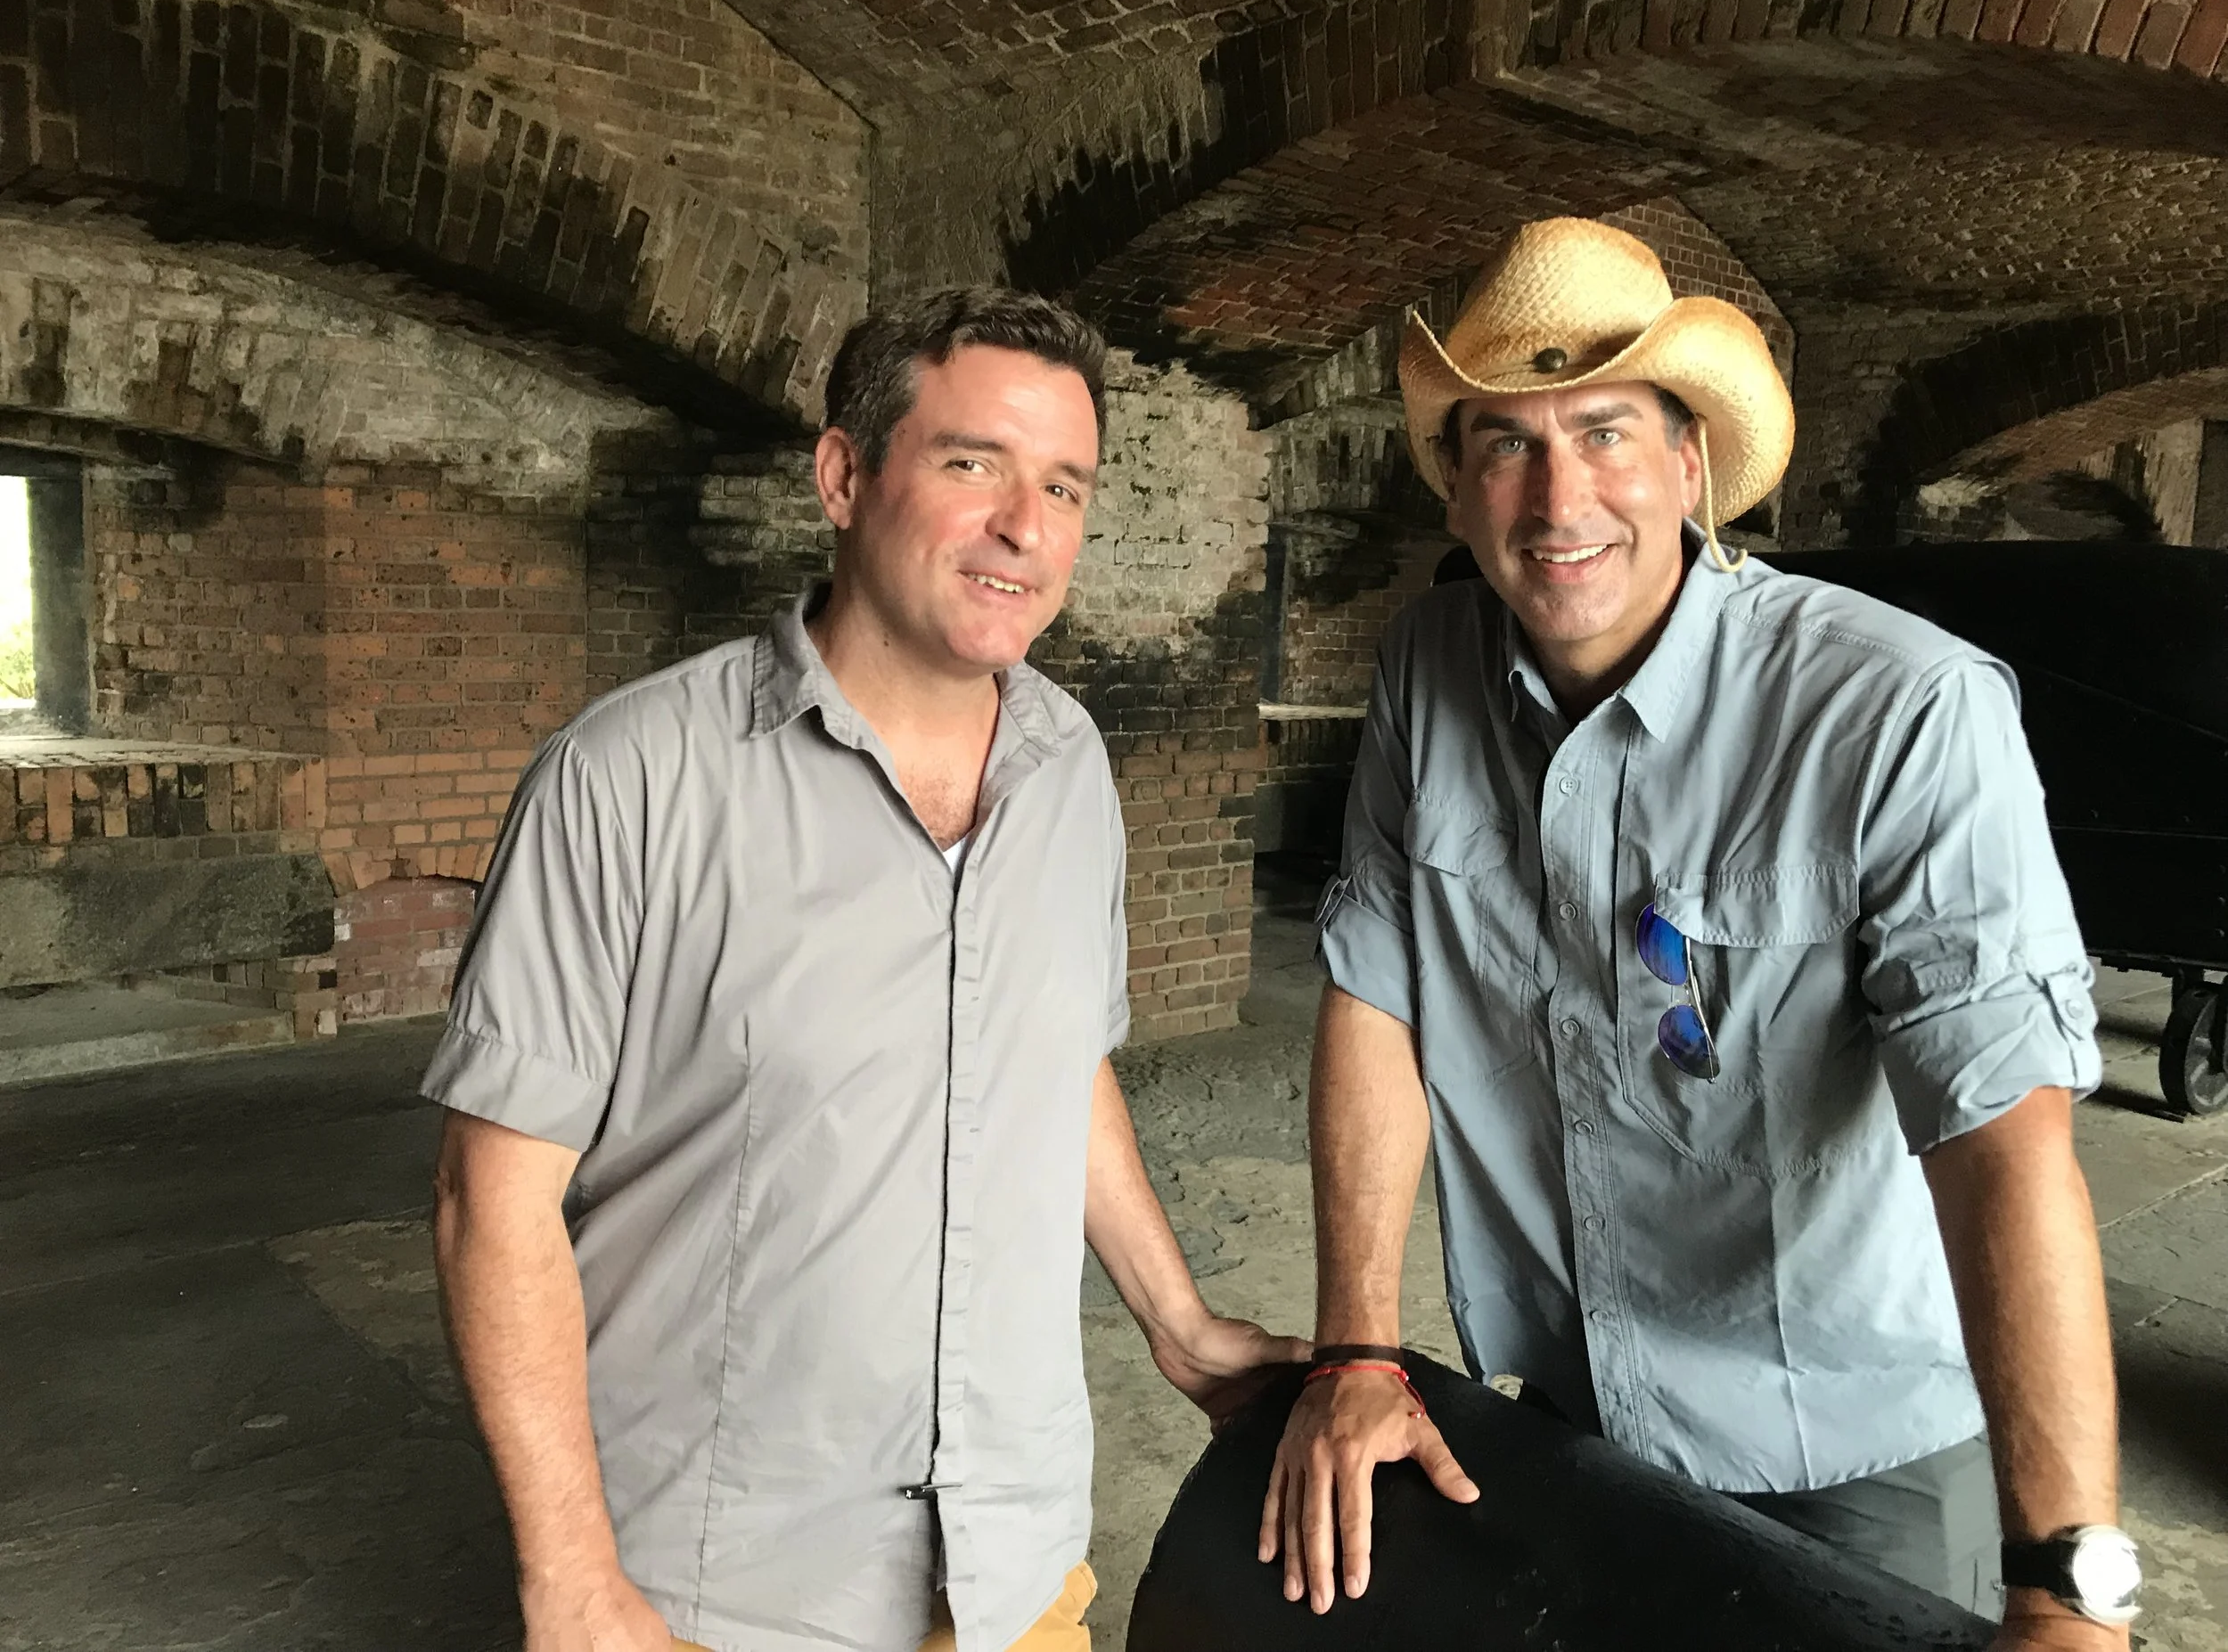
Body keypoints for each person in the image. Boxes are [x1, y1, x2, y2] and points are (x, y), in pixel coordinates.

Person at [1257, 218, 2142, 1649]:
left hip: (1844, 1454)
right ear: (1458, 490)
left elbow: (2005, 1137)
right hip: (1555, 1422)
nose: (1559, 499)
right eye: (1505, 445)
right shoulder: (1430, 670)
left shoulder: (1899, 712)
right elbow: (1376, 991)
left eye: (1606, 432)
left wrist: (2067, 1589)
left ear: (1691, 465)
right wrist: (1358, 1344)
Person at [424, 286, 1306, 1652]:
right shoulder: (630, 779)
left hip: (1012, 1560)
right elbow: (493, 1201)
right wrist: (573, 1581)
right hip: (727, 1589)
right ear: (844, 476)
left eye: (1064, 485)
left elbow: (1051, 1058)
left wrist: (1176, 1320)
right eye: (974, 465)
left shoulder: (1069, 767)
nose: (1028, 526)